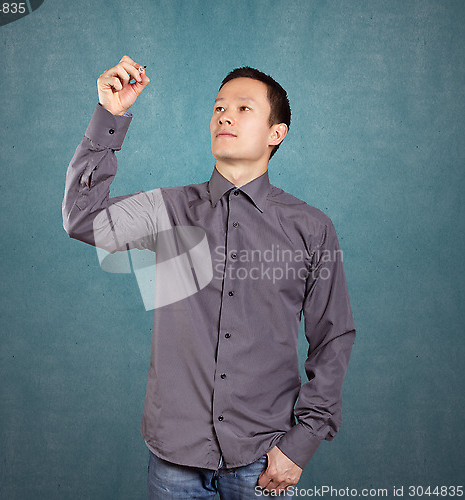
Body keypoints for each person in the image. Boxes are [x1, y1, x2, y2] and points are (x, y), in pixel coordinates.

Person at [62, 55, 356, 499]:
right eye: (219, 107)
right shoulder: (169, 211)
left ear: (277, 134)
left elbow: (333, 338)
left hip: (264, 457)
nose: (225, 116)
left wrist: (303, 441)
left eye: (243, 108)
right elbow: (83, 219)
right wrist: (111, 115)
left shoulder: (311, 228)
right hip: (173, 461)